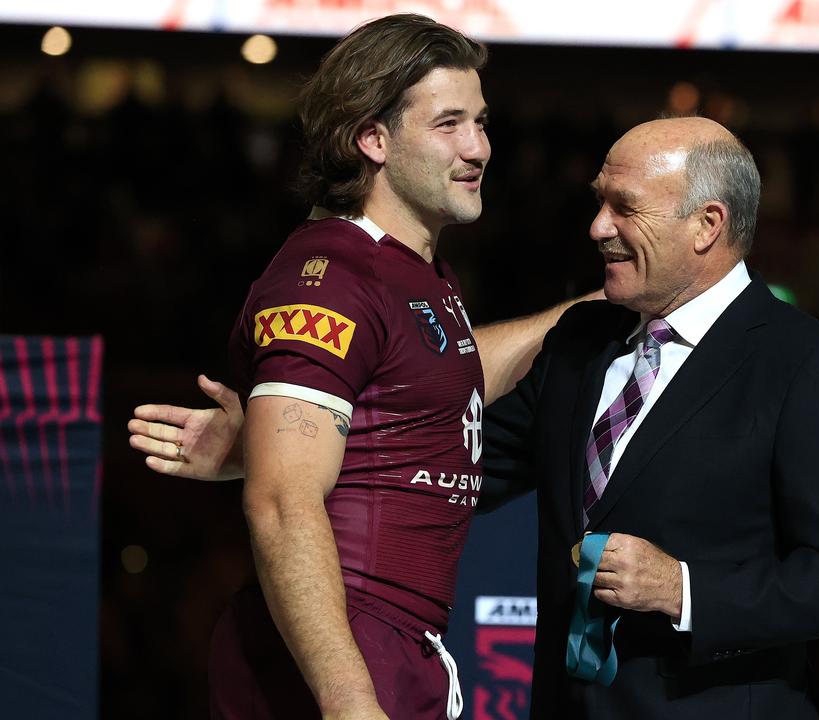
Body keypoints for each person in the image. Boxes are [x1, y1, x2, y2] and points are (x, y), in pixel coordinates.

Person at [133, 116, 819, 718]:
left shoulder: (808, 365)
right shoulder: (577, 347)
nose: (596, 226)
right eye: (598, 200)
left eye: (623, 207)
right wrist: (275, 445)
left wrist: (683, 589)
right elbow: (446, 463)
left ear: (707, 225)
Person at [126, 14, 583, 720]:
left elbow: (444, 376)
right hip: (342, 658)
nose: (480, 148)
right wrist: (348, 700)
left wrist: (597, 310)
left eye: (482, 123)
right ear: (373, 138)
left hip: (395, 648)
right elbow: (282, 505)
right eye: (450, 124)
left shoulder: (412, 271)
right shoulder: (332, 279)